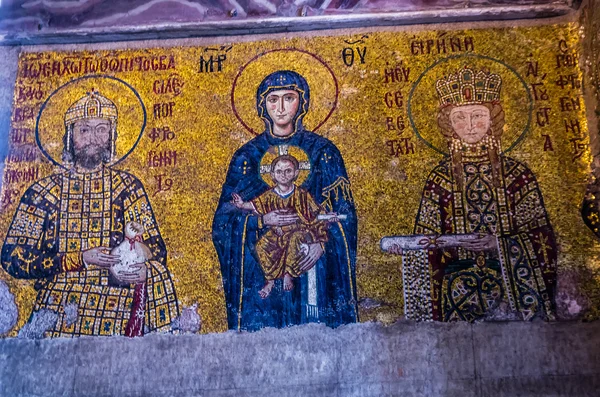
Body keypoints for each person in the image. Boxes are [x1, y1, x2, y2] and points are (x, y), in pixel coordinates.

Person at [1, 89, 179, 337]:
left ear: (111, 135)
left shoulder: (127, 188)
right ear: (69, 136)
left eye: (101, 129)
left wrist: (143, 268)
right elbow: (13, 256)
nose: (93, 138)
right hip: (58, 308)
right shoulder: (44, 192)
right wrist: (79, 258)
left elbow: (156, 248)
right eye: (84, 130)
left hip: (117, 307)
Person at [390, 67, 556, 322]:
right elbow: (427, 237)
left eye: (477, 115)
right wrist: (413, 249)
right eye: (459, 118)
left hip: (509, 291)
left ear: (494, 119)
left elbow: (542, 239)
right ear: (448, 123)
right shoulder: (441, 179)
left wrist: (498, 244)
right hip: (454, 293)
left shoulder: (516, 175)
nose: (468, 126)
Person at [212, 70, 358, 331]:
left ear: (301, 103)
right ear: (262, 106)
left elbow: (344, 215)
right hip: (262, 271)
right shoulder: (247, 156)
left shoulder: (323, 152)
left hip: (312, 263)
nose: (280, 108)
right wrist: (259, 220)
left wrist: (322, 245)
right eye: (272, 100)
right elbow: (223, 220)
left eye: (288, 98)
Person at [231, 154, 339, 298]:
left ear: (295, 173)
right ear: (273, 175)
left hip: (299, 230)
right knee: (262, 246)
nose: (283, 175)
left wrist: (328, 216)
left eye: (288, 171)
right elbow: (255, 204)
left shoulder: (301, 194)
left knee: (295, 240)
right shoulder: (269, 195)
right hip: (277, 232)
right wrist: (241, 204)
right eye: (279, 171)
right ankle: (270, 280)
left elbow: (316, 212)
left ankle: (288, 273)